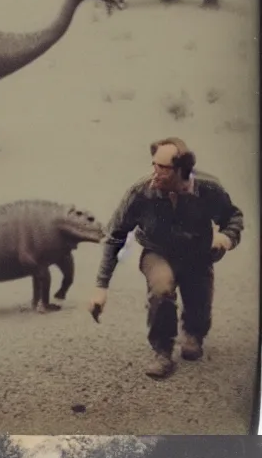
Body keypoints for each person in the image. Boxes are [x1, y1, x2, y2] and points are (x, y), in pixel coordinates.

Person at [88, 136, 244, 379]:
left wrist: (225, 238)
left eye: (162, 168)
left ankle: (192, 333)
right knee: (161, 288)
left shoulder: (208, 189)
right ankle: (162, 352)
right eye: (154, 165)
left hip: (197, 255)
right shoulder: (141, 193)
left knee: (195, 325)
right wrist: (101, 286)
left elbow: (233, 217)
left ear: (181, 170)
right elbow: (115, 236)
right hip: (157, 251)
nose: (155, 173)